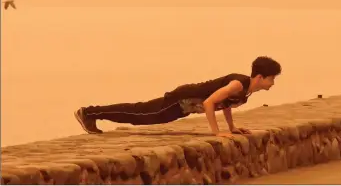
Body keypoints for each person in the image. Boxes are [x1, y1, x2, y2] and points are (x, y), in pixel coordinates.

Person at [74, 56, 281, 137]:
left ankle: (92, 113)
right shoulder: (238, 84)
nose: (272, 83)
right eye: (271, 79)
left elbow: (224, 104)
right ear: (260, 77)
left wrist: (232, 128)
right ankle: (89, 112)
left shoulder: (246, 91)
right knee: (140, 114)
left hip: (184, 107)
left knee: (140, 115)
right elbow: (210, 102)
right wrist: (217, 133)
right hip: (182, 99)